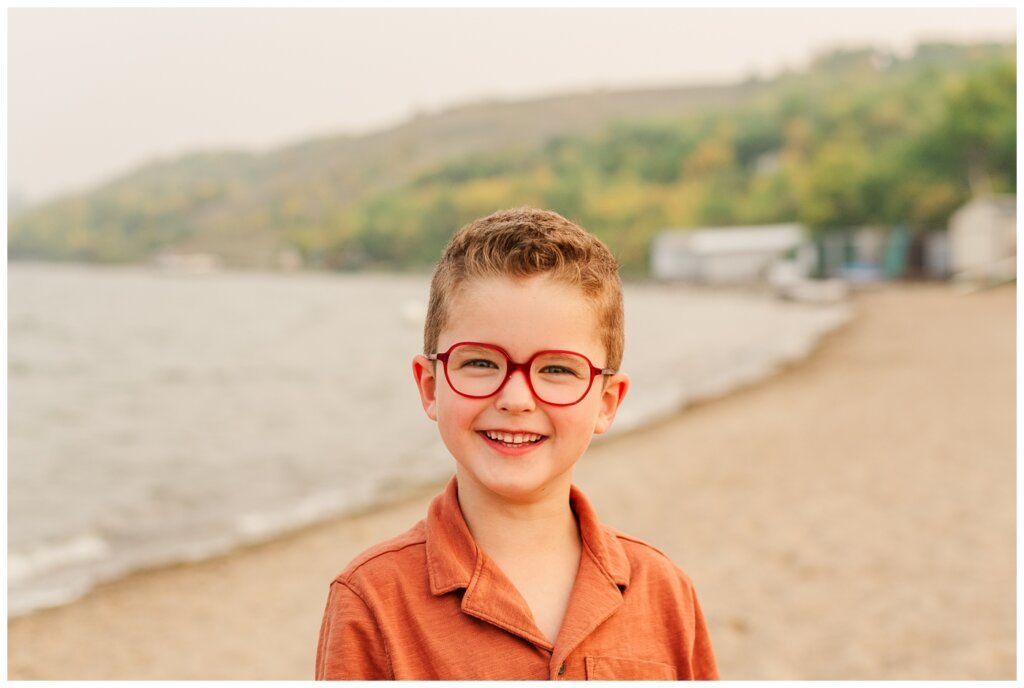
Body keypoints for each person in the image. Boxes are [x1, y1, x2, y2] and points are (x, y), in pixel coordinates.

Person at [315, 207, 718, 680]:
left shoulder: (664, 592)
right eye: (481, 363)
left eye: (557, 369)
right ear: (430, 386)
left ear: (607, 401)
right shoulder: (372, 598)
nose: (515, 399)